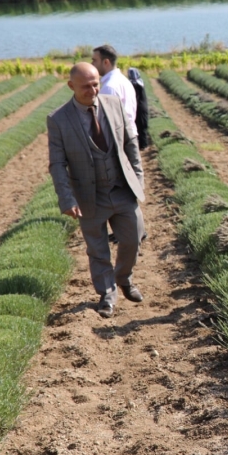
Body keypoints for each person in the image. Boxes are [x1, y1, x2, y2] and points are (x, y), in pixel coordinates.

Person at [47, 63, 146, 319]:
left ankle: (123, 278)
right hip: (88, 196)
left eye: (95, 84)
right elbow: (57, 164)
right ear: (71, 86)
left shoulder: (113, 104)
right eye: (85, 86)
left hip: (121, 188)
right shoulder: (58, 119)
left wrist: (138, 178)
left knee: (133, 238)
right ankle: (107, 295)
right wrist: (66, 199)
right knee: (98, 250)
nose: (92, 90)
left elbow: (130, 143)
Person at [91, 45, 138, 139]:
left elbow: (108, 122)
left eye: (95, 60)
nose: (92, 64)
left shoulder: (110, 87)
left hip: (119, 139)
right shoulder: (124, 81)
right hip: (129, 135)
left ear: (106, 62)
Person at [127, 67, 151, 150]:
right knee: (141, 126)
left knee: (140, 126)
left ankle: (143, 145)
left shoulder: (134, 84)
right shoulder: (140, 82)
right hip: (142, 106)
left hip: (138, 107)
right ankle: (142, 144)